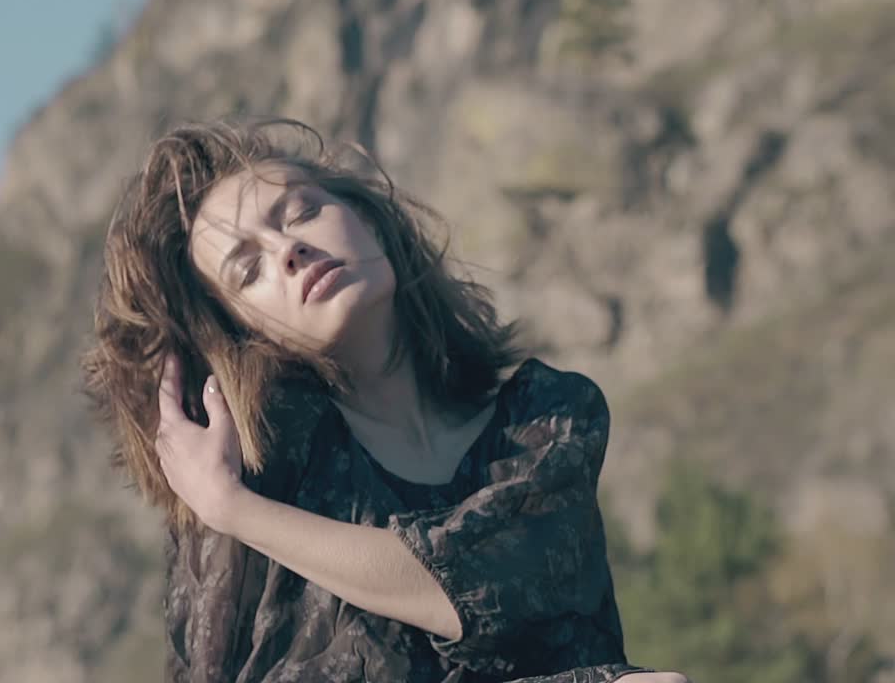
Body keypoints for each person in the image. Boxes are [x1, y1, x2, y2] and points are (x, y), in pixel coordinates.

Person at [81, 117, 689, 683]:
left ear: (368, 220)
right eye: (249, 270)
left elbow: (472, 590)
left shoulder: (546, 421)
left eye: (301, 213)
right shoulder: (260, 472)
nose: (288, 250)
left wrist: (235, 509)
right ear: (246, 331)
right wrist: (228, 504)